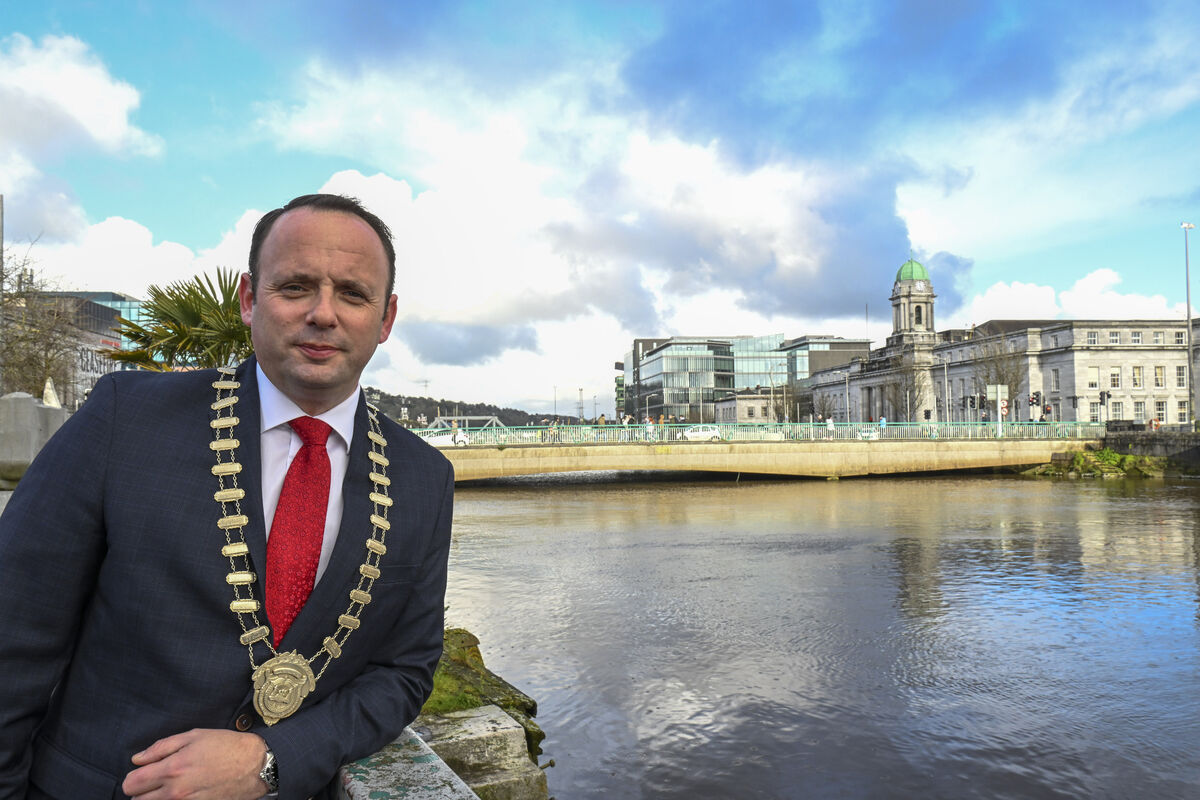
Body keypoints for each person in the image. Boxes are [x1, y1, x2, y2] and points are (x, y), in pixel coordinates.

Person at [0, 194, 455, 799]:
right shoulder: (124, 420)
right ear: (248, 299)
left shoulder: (424, 477)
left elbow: (404, 671)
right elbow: (15, 636)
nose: (324, 313)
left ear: (386, 317)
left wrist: (274, 758)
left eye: (352, 293)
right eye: (295, 287)